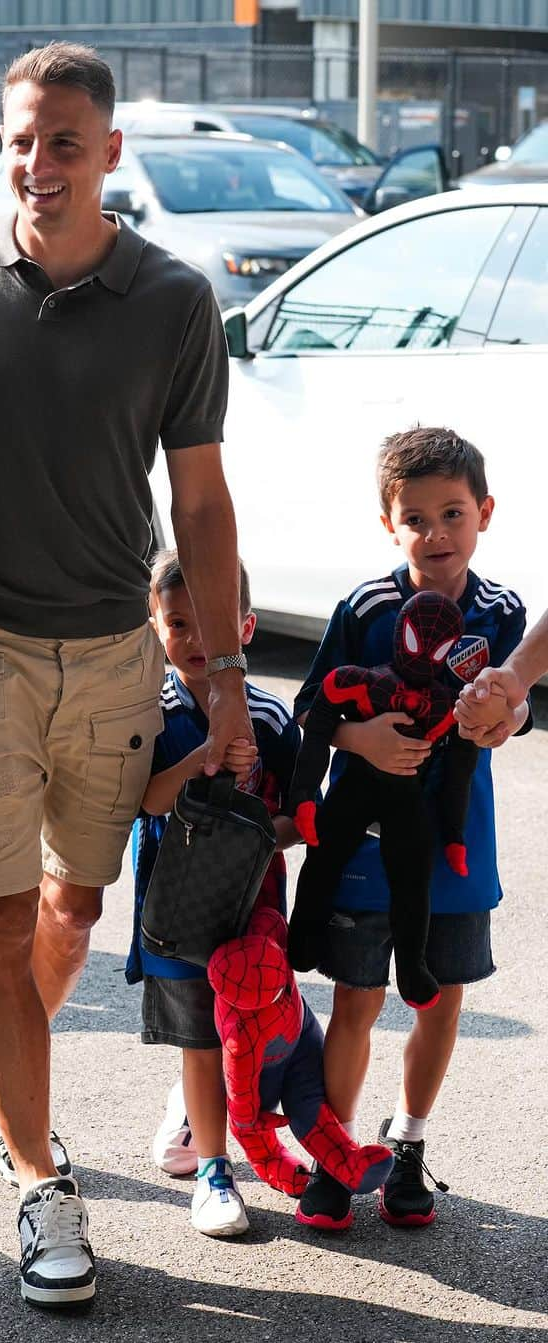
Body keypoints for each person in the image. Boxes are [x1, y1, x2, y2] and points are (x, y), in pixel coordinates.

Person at [0, 42, 253, 1306]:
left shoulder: (175, 300)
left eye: (65, 140)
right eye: (20, 137)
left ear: (110, 152)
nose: (37, 161)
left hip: (117, 650)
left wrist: (224, 672)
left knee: (73, 910)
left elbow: (204, 498)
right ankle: (36, 1175)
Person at [292, 426, 531, 1233]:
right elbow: (309, 709)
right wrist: (359, 739)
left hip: (458, 838)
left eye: (453, 514)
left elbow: (525, 704)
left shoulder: (503, 612)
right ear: (387, 523)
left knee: (441, 995)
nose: (436, 535)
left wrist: (510, 713)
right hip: (362, 839)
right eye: (416, 518)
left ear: (485, 513)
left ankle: (409, 1146)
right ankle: (334, 1151)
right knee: (355, 995)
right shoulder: (364, 607)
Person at [127, 551, 301, 1238]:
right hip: (174, 906)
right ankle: (214, 1170)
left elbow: (298, 817)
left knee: (244, 1035)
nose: (196, 641)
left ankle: (190, 1114)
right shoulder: (150, 711)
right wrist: (203, 760)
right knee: (201, 1036)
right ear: (153, 627)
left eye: (213, 624)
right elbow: (142, 797)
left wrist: (257, 826)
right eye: (177, 623)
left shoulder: (271, 717)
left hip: (251, 908)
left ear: (247, 627)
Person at [456, 606, 548, 744]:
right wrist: (517, 674)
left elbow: (518, 705)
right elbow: (514, 690)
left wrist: (503, 720)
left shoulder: (503, 607)